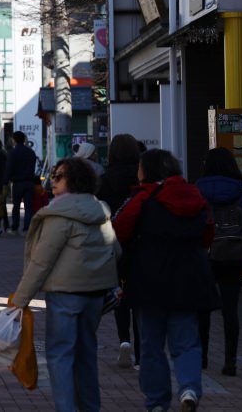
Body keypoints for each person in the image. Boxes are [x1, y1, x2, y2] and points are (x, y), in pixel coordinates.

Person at [113, 149, 219, 412]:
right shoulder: (194, 195)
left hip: (149, 278)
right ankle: (190, 388)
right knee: (186, 342)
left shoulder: (142, 197)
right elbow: (208, 234)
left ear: (147, 170)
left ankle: (157, 402)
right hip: (190, 277)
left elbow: (119, 229)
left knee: (151, 346)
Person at [11, 157, 119, 412]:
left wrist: (21, 299)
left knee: (60, 355)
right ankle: (90, 407)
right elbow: (116, 249)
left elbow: (41, 261)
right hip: (94, 294)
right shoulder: (100, 211)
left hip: (64, 294)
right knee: (86, 356)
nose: (52, 181)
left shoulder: (60, 213)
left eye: (58, 176)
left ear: (73, 180)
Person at [196, 147, 242, 377]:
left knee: (203, 310)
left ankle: (202, 358)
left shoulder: (199, 189)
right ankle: (230, 362)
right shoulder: (240, 191)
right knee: (231, 311)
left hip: (206, 255)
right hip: (233, 255)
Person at [97, 133, 141, 368]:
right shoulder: (141, 177)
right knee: (140, 297)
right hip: (140, 243)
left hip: (112, 243)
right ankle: (142, 352)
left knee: (119, 293)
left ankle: (124, 340)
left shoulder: (105, 180)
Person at [4, 131, 39, 233]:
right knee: (28, 207)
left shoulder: (12, 153)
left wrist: (5, 182)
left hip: (17, 183)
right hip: (29, 182)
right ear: (24, 140)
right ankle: (27, 228)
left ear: (14, 140)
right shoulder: (31, 152)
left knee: (16, 205)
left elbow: (9, 169)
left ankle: (15, 226)